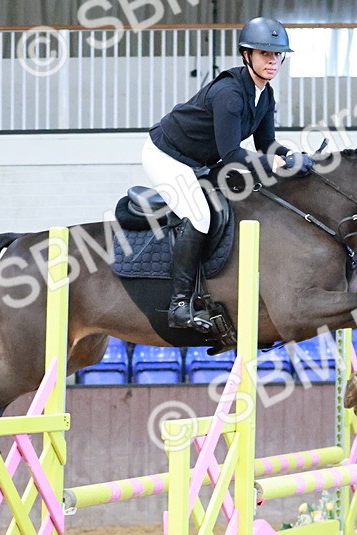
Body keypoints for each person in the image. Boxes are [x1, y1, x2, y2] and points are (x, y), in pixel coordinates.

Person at [143, 16, 314, 331]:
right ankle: (179, 305)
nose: (272, 60)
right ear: (246, 55)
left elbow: (266, 144)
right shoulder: (230, 93)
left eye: (277, 54)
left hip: (198, 160)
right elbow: (232, 154)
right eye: (264, 53)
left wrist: (291, 154)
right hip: (166, 156)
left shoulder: (265, 94)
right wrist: (276, 164)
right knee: (200, 216)